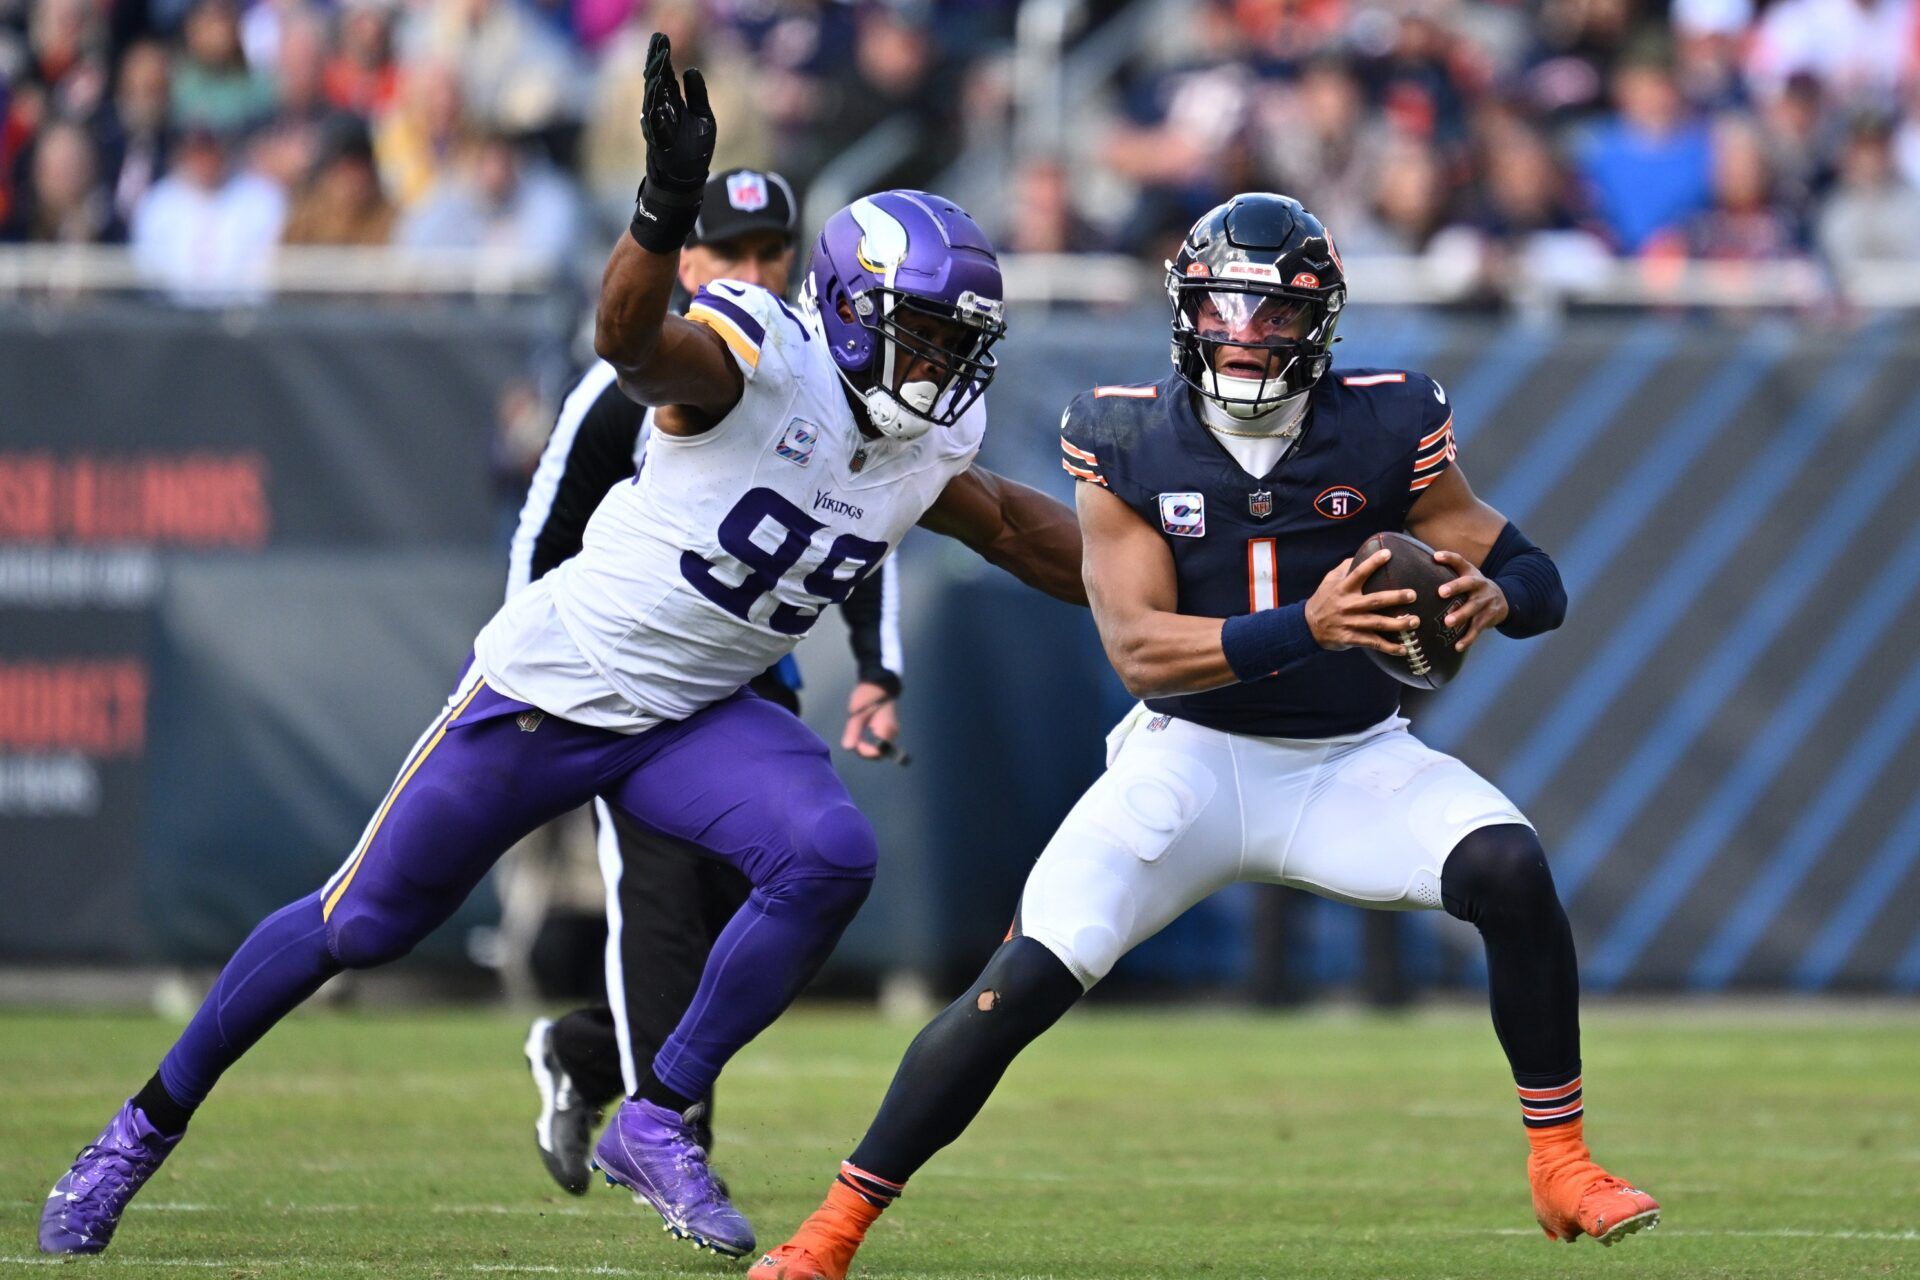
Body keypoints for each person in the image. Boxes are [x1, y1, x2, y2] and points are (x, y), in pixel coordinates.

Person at [38, 35, 1084, 1262]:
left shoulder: (923, 441)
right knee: (358, 922)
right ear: (851, 316)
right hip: (561, 684)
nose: (946, 367)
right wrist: (658, 211)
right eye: (927, 337)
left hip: (697, 709)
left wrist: (1186, 589)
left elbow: (1019, 529)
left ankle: (656, 1111)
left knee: (827, 852)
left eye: (961, 343)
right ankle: (135, 1129)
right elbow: (634, 345)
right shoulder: (759, 347)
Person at [749, 194, 1659, 1280]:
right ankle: (832, 1229)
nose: (1245, 334)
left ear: (1317, 324)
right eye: (1225, 311)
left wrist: (1496, 600)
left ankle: (1560, 1158)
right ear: (1185, 313)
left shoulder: (1386, 419)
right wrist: (1309, 624)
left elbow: (1533, 569)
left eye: (1274, 315)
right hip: (1184, 760)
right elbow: (1137, 648)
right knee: (1022, 979)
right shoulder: (1125, 432)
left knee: (1510, 865)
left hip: (1349, 757)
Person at [516, 164, 906, 1194]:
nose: (749, 269)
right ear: (685, 262)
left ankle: (589, 1054)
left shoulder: (822, 375)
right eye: (726, 252)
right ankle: (674, 1141)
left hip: (749, 688)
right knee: (661, 903)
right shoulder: (625, 384)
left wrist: (879, 666)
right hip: (629, 680)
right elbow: (545, 533)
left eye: (768, 252)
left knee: (763, 909)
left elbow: (868, 528)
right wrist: (537, 687)